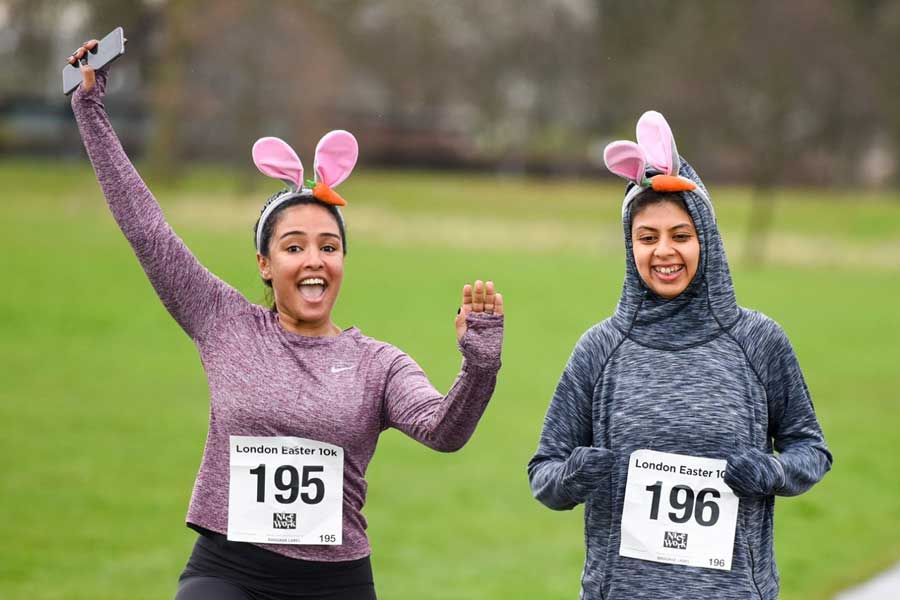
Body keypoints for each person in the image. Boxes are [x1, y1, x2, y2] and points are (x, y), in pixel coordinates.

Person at [68, 40, 504, 600]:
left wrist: (480, 367)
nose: (314, 260)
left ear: (343, 262)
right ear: (265, 264)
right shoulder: (223, 321)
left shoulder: (378, 363)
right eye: (294, 247)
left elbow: (444, 432)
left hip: (336, 581)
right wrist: (91, 109)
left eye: (329, 246)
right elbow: (147, 230)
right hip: (228, 571)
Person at [527, 110, 831, 599]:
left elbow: (811, 451)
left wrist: (773, 472)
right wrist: (573, 475)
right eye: (647, 238)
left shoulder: (759, 342)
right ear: (631, 247)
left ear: (705, 240)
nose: (663, 252)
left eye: (680, 236)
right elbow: (543, 475)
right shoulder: (599, 349)